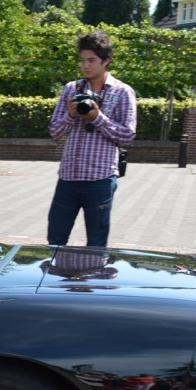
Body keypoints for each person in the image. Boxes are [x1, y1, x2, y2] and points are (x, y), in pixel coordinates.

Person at [46, 30, 136, 248]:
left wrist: (97, 118)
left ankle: (94, 282)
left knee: (96, 244)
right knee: (55, 239)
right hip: (68, 176)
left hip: (100, 178)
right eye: (82, 60)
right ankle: (55, 279)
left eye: (92, 60)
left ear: (106, 61)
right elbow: (55, 132)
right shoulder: (71, 89)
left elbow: (128, 135)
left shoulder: (123, 92)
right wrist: (70, 114)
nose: (86, 66)